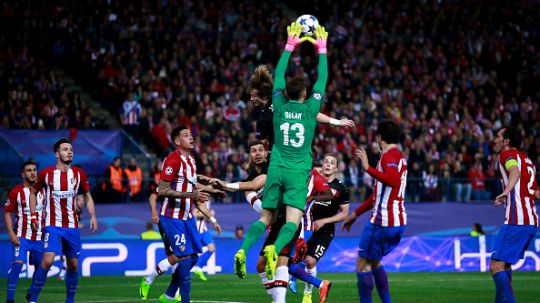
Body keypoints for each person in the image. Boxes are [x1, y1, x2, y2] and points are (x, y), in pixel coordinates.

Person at [235, 21, 330, 285]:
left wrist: (290, 45)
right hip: (298, 170)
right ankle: (274, 250)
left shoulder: (277, 102)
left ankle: (243, 249)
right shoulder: (311, 109)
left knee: (266, 218)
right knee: (292, 221)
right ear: (306, 94)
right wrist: (321, 49)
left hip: (276, 166)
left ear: (286, 92)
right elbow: (322, 79)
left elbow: (278, 76)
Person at [154, 125, 223, 303]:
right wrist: (191, 195)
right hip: (172, 217)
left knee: (192, 258)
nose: (191, 137)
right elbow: (162, 190)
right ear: (177, 141)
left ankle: (169, 295)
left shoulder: (191, 160)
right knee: (184, 258)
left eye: (191, 134)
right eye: (186, 135)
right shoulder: (172, 160)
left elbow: (192, 186)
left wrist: (212, 190)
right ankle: (183, 300)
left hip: (187, 217)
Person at [342, 120, 408, 303]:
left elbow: (393, 180)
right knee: (375, 261)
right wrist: (355, 215)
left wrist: (367, 168)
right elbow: (377, 195)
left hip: (383, 221)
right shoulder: (398, 156)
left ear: (380, 137)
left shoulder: (389, 157)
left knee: (362, 264)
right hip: (397, 221)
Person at [27, 138, 98, 303]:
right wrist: (33, 215)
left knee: (73, 265)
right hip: (52, 224)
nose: (70, 151)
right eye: (65, 149)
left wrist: (93, 215)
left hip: (72, 226)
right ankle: (32, 299)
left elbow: (87, 195)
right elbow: (32, 193)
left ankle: (70, 301)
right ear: (57, 154)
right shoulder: (46, 174)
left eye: (71, 149)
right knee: (47, 261)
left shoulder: (79, 174)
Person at [490, 126, 539, 303]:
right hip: (531, 221)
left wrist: (505, 192)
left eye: (498, 137)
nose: (494, 140)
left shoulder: (506, 154)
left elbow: (514, 171)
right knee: (504, 265)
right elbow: (535, 192)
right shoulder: (527, 160)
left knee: (495, 266)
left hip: (516, 219)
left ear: (506, 141)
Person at [295, 153, 349, 303]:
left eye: (332, 163)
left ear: (336, 168)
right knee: (294, 259)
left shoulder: (341, 188)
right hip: (305, 228)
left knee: (310, 261)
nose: (328, 164)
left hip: (325, 231)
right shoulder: (311, 182)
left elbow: (344, 213)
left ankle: (307, 294)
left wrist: (325, 221)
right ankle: (290, 279)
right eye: (326, 161)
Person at [3, 160, 45, 303]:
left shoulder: (43, 191)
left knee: (41, 269)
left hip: (39, 238)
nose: (33, 172)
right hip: (21, 237)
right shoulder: (16, 192)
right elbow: (8, 213)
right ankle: (10, 300)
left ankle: (32, 295)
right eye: (29, 170)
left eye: (34, 170)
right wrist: (11, 234)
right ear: (23, 174)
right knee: (17, 266)